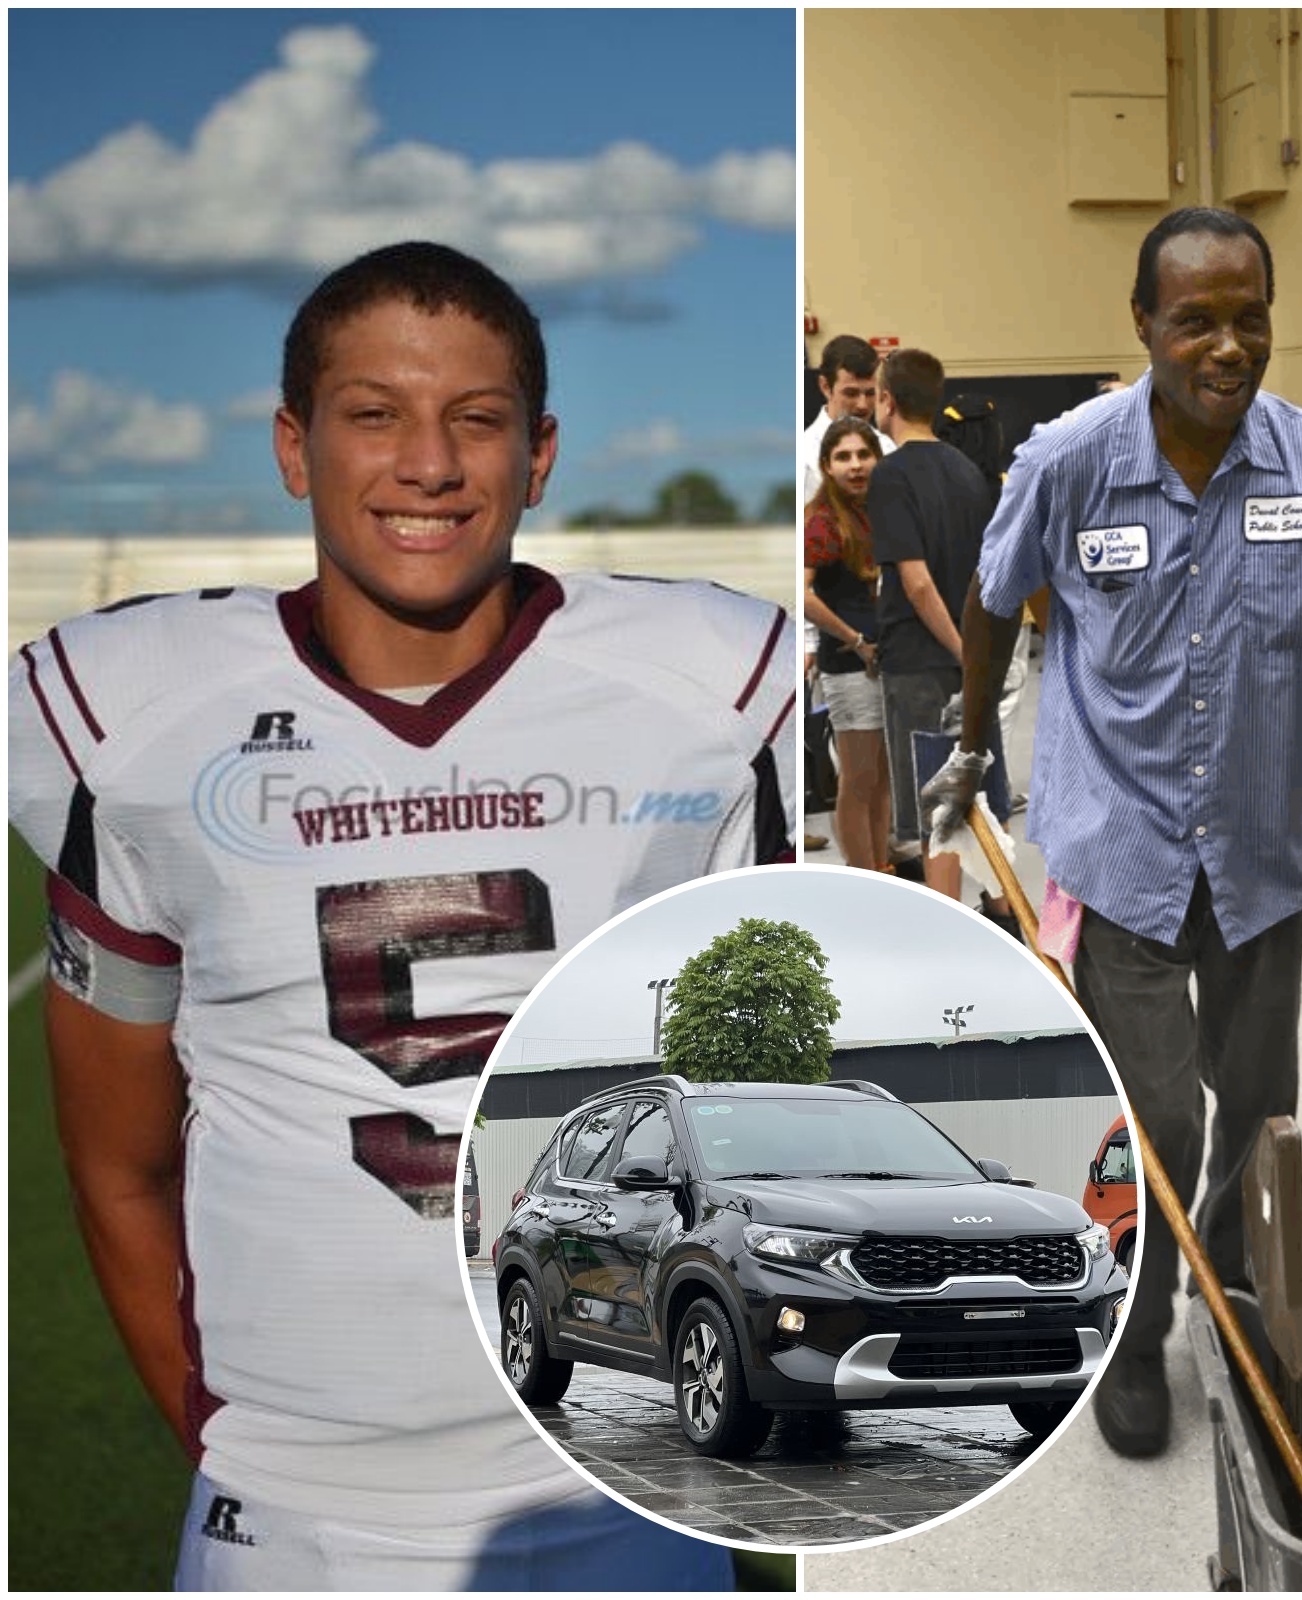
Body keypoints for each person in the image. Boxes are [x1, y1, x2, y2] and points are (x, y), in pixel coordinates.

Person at [8, 242, 793, 1590]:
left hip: (621, 1488)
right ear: (293, 445)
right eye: (373, 413)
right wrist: (236, 1442)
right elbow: (120, 1167)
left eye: (474, 420)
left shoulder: (715, 689)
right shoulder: (136, 712)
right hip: (298, 1520)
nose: (427, 462)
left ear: (538, 454)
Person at [926, 206, 1302, 1457]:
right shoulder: (1067, 461)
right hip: (1121, 851)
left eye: (1247, 317)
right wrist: (974, 743)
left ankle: (1234, 1290)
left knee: (1259, 1117)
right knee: (1157, 1117)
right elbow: (991, 601)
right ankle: (1137, 1334)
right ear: (1141, 322)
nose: (1225, 343)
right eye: (1193, 317)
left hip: (1262, 854)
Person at [869, 346, 998, 899]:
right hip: (970, 662)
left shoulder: (891, 476)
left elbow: (917, 584)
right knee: (979, 796)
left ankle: (944, 927)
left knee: (936, 811)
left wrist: (959, 649)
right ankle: (1005, 914)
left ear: (887, 400)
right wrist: (978, 656)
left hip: (924, 664)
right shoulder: (969, 470)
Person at [804, 416, 892, 871]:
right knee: (857, 782)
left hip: (886, 662)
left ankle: (882, 871)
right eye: (843, 457)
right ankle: (864, 880)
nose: (855, 466)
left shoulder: (879, 513)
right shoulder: (821, 521)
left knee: (883, 783)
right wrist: (855, 640)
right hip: (850, 667)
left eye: (863, 455)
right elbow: (800, 594)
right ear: (826, 465)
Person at [800, 334, 895, 504]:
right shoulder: (804, 455)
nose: (862, 405)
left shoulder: (887, 447)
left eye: (870, 393)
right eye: (851, 393)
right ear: (825, 387)